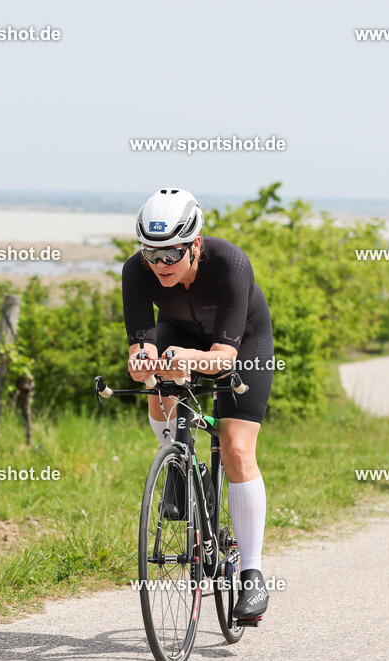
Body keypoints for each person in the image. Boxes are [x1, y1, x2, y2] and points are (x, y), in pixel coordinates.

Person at [122, 188, 273, 623]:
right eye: (152, 254)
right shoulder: (136, 270)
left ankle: (252, 575)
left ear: (197, 244)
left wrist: (190, 359)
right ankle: (183, 465)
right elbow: (141, 343)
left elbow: (223, 358)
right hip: (180, 333)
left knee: (237, 447)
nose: (161, 265)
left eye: (172, 255)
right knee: (156, 386)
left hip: (242, 342)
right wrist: (141, 360)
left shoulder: (230, 262)